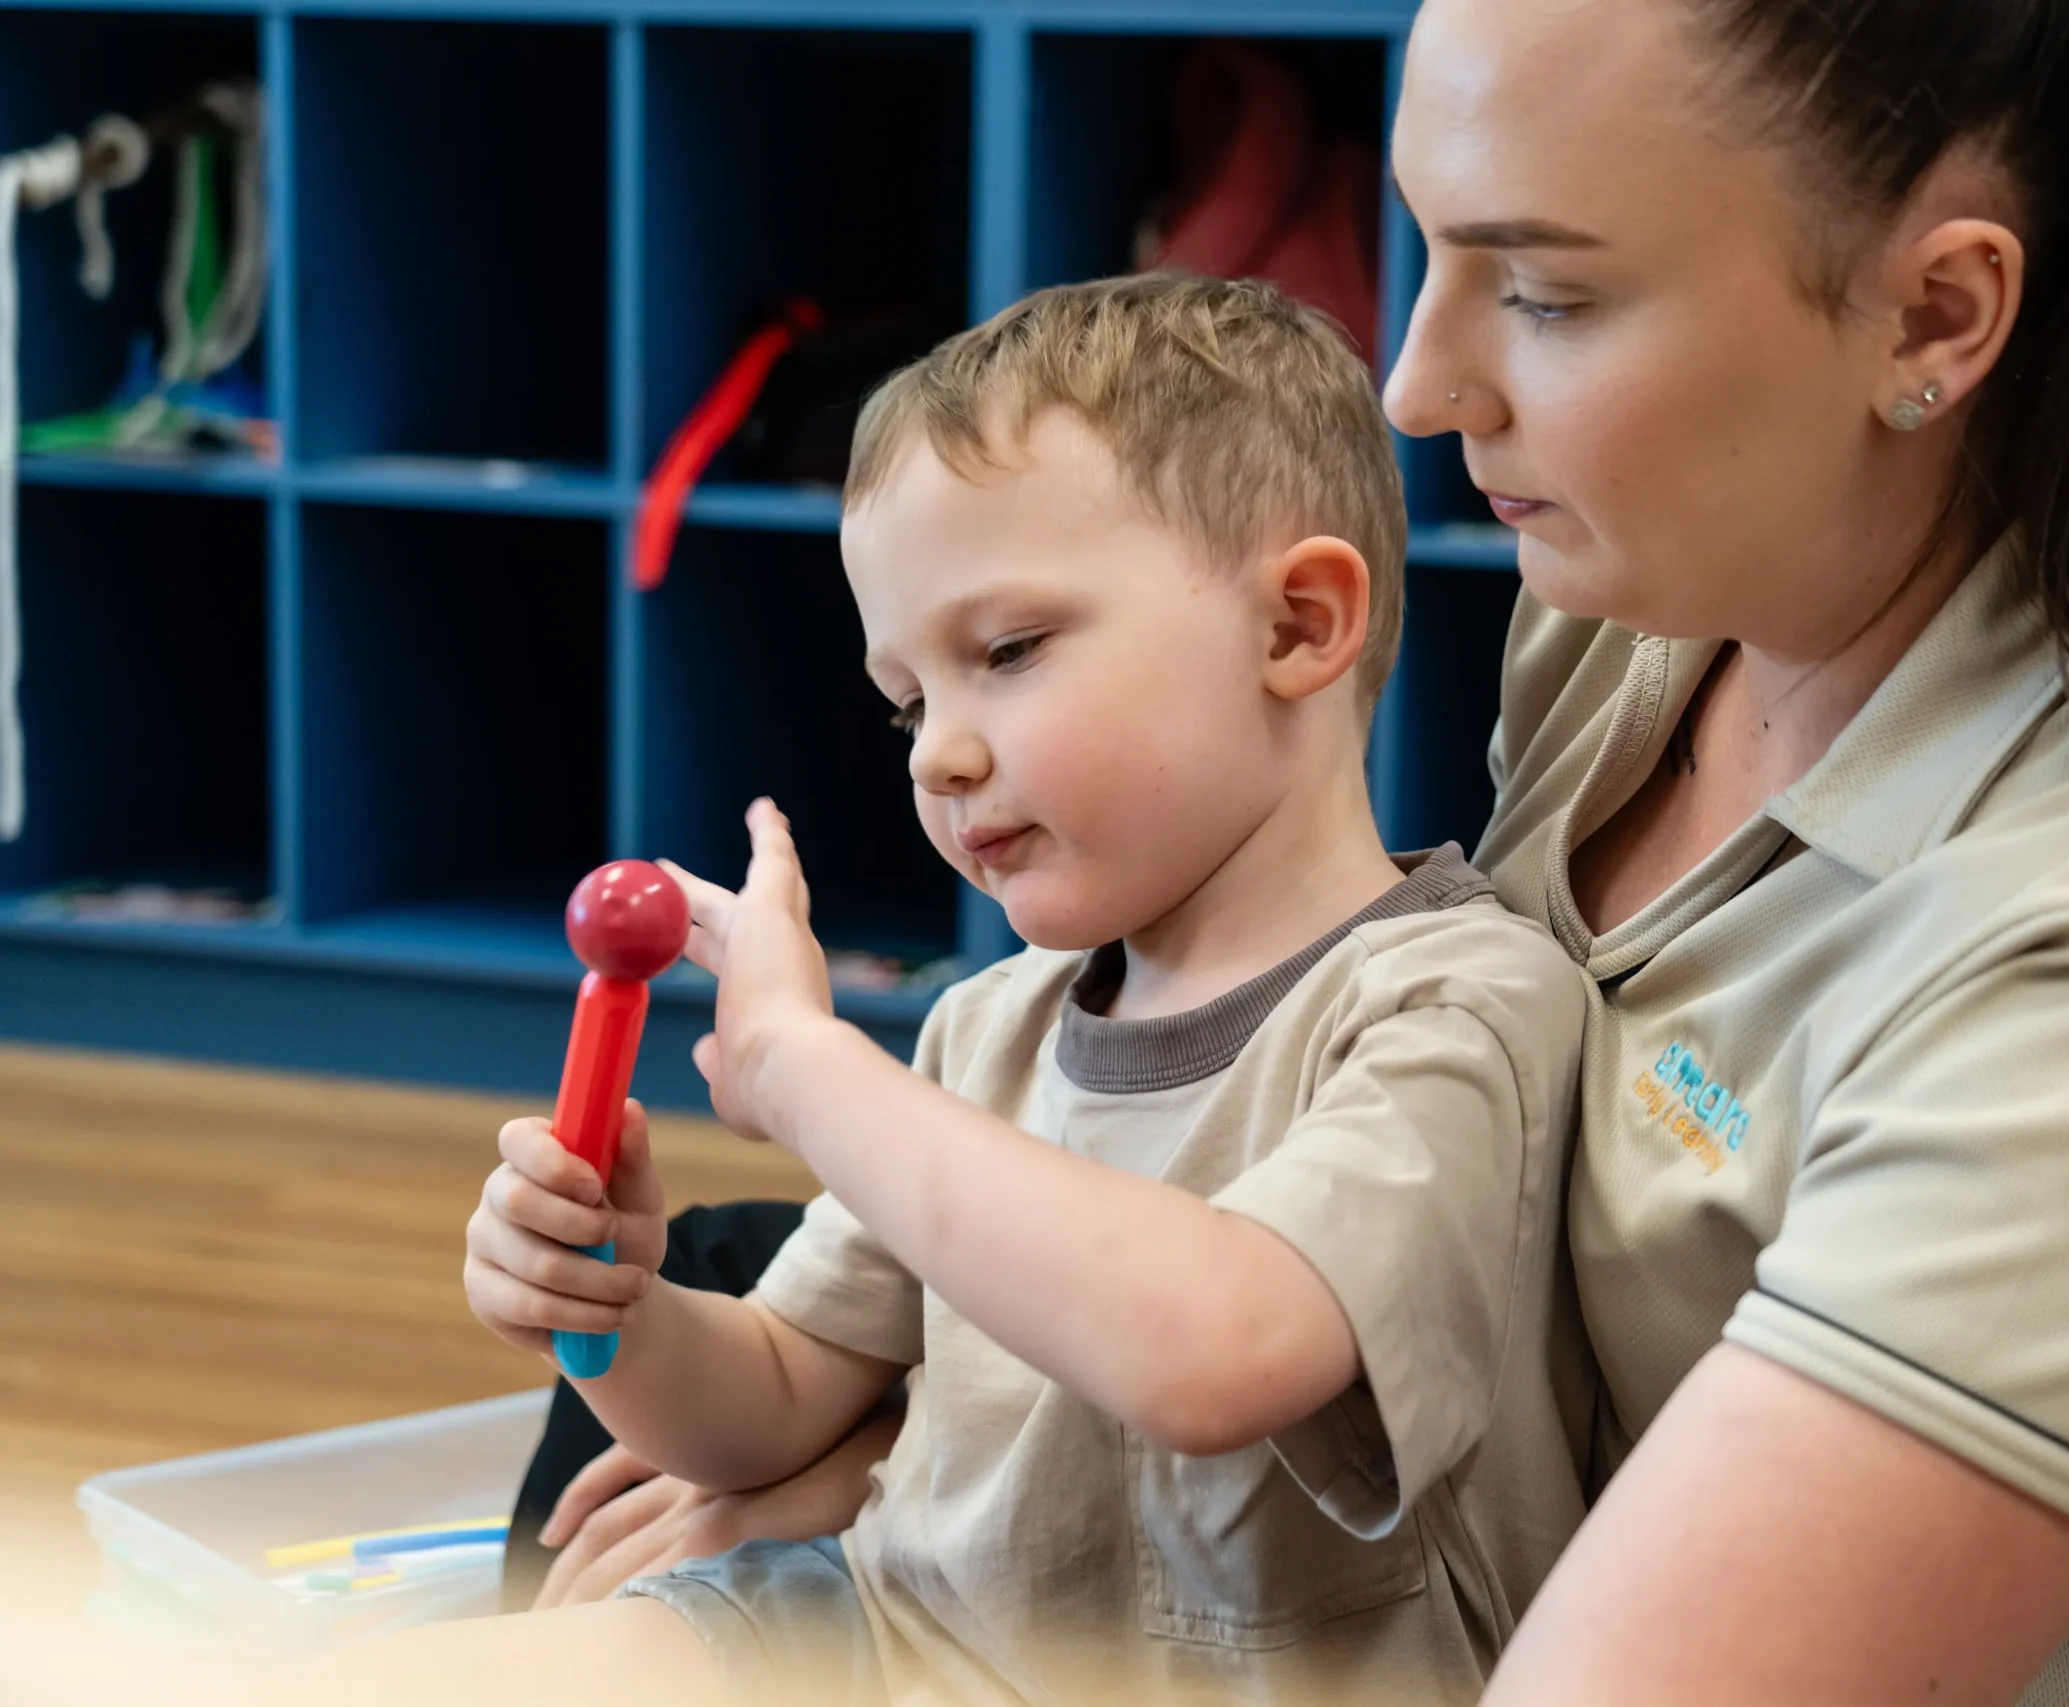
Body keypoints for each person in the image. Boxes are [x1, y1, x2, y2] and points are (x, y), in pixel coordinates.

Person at [536, 1, 2069, 1702]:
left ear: (1932, 313)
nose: (1411, 383)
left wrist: (928, 1541)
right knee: (686, 1333)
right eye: (1424, 249)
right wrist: (891, 1455)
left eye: (1546, 290)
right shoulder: (1648, 610)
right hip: (1452, 1513)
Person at [423, 273, 1589, 1706]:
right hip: (888, 1628)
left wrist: (807, 1066)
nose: (937, 756)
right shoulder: (995, 1020)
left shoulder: (1460, 1002)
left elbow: (1213, 1349)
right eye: (909, 699)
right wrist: (610, 1310)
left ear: (1296, 626)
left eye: (1009, 654)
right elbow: (778, 1397)